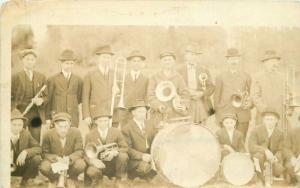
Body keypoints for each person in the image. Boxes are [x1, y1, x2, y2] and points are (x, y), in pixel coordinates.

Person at [40, 112, 86, 187]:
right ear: (55, 125)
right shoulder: (47, 134)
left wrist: (69, 158)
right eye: (60, 127)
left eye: (66, 126)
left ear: (70, 124)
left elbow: (80, 150)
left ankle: (71, 178)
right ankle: (54, 179)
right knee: (44, 167)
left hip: (70, 163)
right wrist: (56, 158)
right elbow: (44, 153)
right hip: (55, 163)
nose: (63, 129)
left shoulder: (76, 132)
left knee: (81, 164)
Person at [214, 48, 252, 139]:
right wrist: (218, 115)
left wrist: (249, 103)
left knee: (241, 140)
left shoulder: (246, 76)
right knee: (227, 140)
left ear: (239, 60)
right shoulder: (220, 76)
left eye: (235, 59)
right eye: (231, 59)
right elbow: (216, 97)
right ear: (227, 61)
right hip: (226, 113)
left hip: (242, 113)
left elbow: (251, 94)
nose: (233, 61)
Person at [11, 48, 48, 142]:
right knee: (19, 139)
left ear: (35, 61)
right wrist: (14, 112)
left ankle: (33, 156)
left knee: (35, 139)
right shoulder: (15, 77)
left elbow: (46, 96)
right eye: (27, 59)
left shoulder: (41, 77)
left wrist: (41, 101)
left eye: (32, 59)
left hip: (36, 114)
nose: (30, 62)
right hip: (20, 113)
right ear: (23, 60)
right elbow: (10, 97)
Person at [84, 111, 128, 187]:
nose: (103, 123)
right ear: (96, 122)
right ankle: (99, 181)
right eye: (100, 121)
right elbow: (85, 154)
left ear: (108, 121)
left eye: (105, 121)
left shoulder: (116, 132)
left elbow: (125, 147)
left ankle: (118, 180)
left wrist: (115, 152)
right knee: (92, 171)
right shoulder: (89, 135)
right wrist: (93, 161)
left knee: (123, 156)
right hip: (99, 163)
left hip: (113, 163)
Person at [147, 51, 189, 127]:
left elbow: (185, 94)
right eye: (165, 60)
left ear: (173, 62)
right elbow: (150, 95)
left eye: (169, 60)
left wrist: (184, 105)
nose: (167, 62)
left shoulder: (178, 77)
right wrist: (158, 106)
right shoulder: (154, 77)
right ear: (161, 62)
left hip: (175, 114)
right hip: (159, 114)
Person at [251, 50, 290, 131]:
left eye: (276, 61)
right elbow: (255, 96)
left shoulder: (282, 77)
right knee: (263, 138)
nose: (274, 64)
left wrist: (289, 108)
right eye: (271, 61)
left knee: (280, 138)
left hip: (280, 115)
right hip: (264, 115)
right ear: (265, 63)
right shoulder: (258, 77)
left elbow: (288, 94)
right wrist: (266, 111)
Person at [82, 45, 119, 128]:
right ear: (98, 58)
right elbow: (85, 96)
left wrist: (118, 91)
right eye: (104, 57)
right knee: (96, 138)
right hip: (96, 114)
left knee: (112, 139)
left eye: (108, 58)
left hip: (112, 113)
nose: (106, 60)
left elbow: (121, 93)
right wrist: (86, 115)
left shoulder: (115, 73)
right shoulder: (90, 74)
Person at [178, 44, 215, 124]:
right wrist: (187, 94)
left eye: (196, 55)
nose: (193, 57)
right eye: (191, 54)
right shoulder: (180, 71)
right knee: (186, 128)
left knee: (201, 128)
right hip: (186, 104)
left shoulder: (204, 70)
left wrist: (201, 93)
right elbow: (176, 88)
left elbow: (211, 87)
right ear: (186, 56)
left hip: (201, 103)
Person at [46, 49, 83, 128]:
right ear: (61, 64)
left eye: (71, 63)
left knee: (72, 136)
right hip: (58, 114)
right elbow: (48, 100)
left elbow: (79, 98)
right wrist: (48, 118)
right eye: (67, 63)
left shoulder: (78, 80)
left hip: (73, 116)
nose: (69, 66)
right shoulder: (52, 79)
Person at [122, 100, 157, 180]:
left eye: (144, 111)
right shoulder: (127, 128)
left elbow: (155, 140)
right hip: (135, 159)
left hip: (150, 155)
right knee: (145, 167)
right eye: (140, 112)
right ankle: (133, 175)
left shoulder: (150, 124)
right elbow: (127, 149)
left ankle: (147, 175)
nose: (143, 114)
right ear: (133, 113)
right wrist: (142, 156)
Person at [248, 108, 284, 183]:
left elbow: (281, 149)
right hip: (259, 157)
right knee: (258, 156)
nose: (269, 122)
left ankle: (272, 174)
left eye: (272, 119)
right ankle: (260, 178)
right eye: (267, 119)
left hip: (273, 157)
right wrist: (265, 150)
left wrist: (276, 157)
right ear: (263, 120)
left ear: (276, 120)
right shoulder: (256, 130)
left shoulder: (280, 133)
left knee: (278, 171)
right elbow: (251, 146)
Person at [10, 109, 42, 187]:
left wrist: (26, 152)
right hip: (3, 166)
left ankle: (25, 181)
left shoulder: (25, 133)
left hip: (19, 165)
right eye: (14, 125)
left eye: (20, 125)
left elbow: (38, 148)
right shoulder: (2, 132)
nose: (17, 128)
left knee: (36, 158)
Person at [117, 50, 149, 126]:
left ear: (141, 63)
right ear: (130, 63)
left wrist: (145, 113)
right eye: (134, 61)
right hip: (125, 112)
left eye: (138, 61)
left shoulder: (146, 78)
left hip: (139, 113)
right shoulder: (122, 77)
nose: (136, 63)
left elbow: (146, 97)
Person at [283, 120, 300, 185]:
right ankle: (294, 178)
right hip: (294, 160)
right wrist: (292, 157)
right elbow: (285, 148)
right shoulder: (292, 132)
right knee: (289, 166)